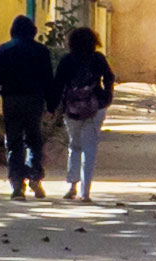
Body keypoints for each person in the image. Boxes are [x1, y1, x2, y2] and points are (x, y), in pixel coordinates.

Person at [49, 17, 117, 204]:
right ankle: (86, 192)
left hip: (72, 109)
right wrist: (107, 97)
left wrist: (52, 106)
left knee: (74, 145)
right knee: (90, 148)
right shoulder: (98, 59)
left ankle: (72, 186)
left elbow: (58, 84)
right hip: (96, 107)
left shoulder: (67, 60)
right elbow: (109, 77)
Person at [0, 13, 54, 196]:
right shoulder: (41, 51)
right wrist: (52, 104)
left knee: (14, 141)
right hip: (34, 100)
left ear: (12, 31)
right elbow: (48, 79)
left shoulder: (4, 50)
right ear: (33, 31)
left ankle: (17, 185)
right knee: (34, 139)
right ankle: (35, 177)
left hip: (12, 101)